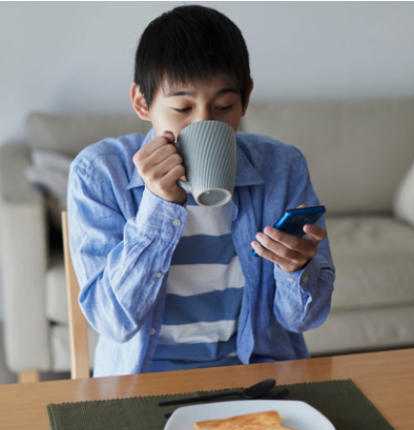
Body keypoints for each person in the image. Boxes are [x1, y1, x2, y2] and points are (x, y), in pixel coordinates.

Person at [67, 4, 335, 377]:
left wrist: (298, 268)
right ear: (142, 102)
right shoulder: (100, 173)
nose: (204, 123)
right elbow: (113, 322)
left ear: (246, 98)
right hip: (144, 379)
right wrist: (159, 205)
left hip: (256, 373)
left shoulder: (282, 166)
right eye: (181, 107)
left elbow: (303, 320)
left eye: (223, 106)